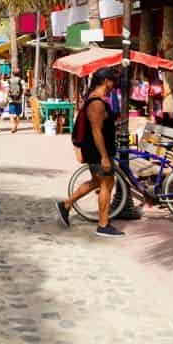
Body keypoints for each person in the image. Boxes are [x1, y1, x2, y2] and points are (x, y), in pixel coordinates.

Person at [55, 69, 124, 238]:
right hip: (97, 152)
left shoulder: (97, 100)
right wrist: (104, 157)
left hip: (96, 151)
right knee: (107, 185)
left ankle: (66, 205)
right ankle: (103, 224)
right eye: (113, 81)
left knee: (96, 182)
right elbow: (96, 132)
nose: (114, 85)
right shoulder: (96, 103)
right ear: (106, 81)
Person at [8, 68, 24, 134]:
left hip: (11, 99)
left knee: (11, 114)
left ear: (13, 73)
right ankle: (16, 127)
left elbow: (8, 90)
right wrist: (20, 95)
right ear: (19, 73)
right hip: (19, 99)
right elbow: (23, 90)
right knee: (18, 114)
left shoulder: (9, 80)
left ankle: (13, 126)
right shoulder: (21, 81)